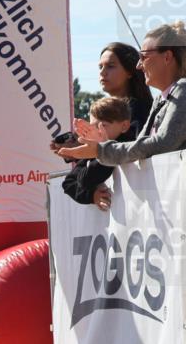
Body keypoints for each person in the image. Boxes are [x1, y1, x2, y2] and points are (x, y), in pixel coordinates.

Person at [59, 21, 186, 164]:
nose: (139, 65)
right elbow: (139, 147)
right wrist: (100, 145)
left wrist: (100, 149)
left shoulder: (183, 89)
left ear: (167, 57)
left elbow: (161, 144)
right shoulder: (160, 99)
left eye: (144, 57)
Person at [57, 42, 152, 205]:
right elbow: (71, 183)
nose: (102, 72)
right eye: (100, 67)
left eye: (110, 66)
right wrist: (92, 196)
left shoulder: (142, 109)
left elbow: (124, 148)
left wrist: (98, 148)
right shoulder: (100, 110)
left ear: (130, 70)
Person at [60, 97, 132, 211]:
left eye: (103, 126)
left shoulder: (132, 145)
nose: (96, 131)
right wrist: (92, 196)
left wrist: (106, 150)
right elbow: (69, 184)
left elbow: (86, 180)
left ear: (124, 126)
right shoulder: (93, 148)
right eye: (93, 126)